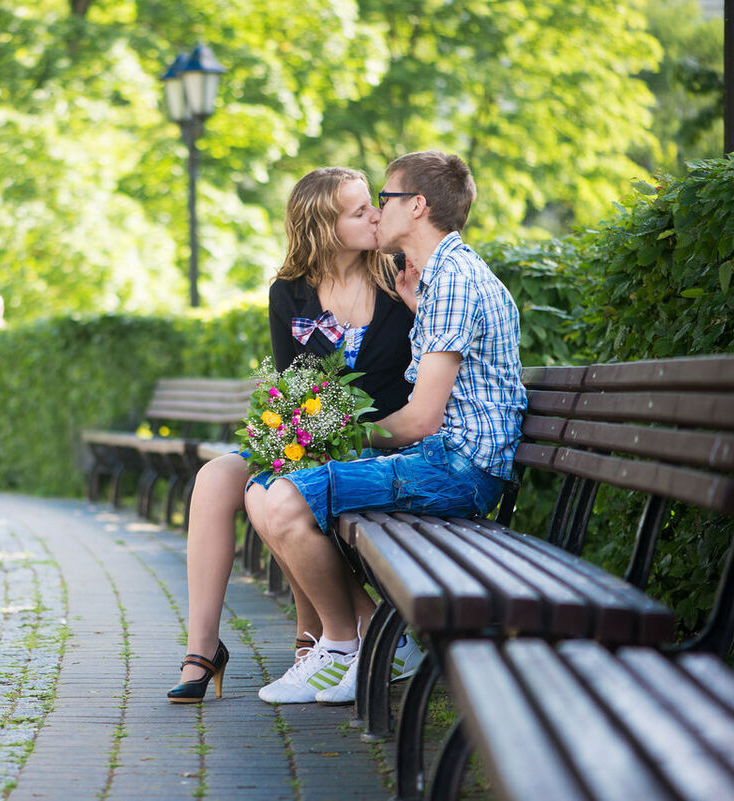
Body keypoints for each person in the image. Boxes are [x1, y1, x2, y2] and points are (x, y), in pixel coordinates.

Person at [243, 151, 528, 706]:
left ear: (417, 207)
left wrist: (336, 431)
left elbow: (421, 420)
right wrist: (414, 307)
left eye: (386, 198)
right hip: (448, 459)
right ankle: (368, 637)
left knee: (278, 500)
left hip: (458, 469)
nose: (378, 210)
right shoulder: (439, 280)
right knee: (264, 490)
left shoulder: (454, 281)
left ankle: (349, 646)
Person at [168, 167, 418, 703]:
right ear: (325, 229)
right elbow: (291, 389)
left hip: (379, 444)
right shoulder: (290, 294)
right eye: (359, 211)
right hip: (314, 437)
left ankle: (320, 639)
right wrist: (289, 438)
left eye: (372, 204)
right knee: (216, 478)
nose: (376, 214)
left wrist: (416, 303)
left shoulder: (401, 278)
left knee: (280, 489)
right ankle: (203, 646)